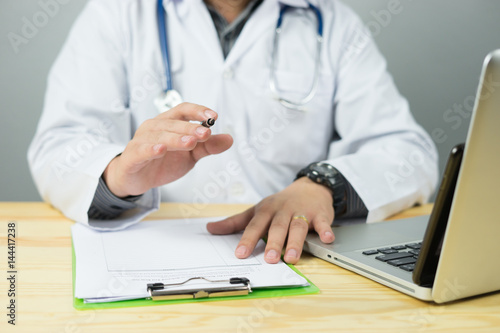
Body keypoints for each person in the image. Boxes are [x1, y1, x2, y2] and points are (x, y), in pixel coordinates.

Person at [28, 0, 438, 265]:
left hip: (292, 258)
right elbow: (58, 145)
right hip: (156, 258)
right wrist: (118, 175)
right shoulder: (116, 13)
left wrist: (321, 186)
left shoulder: (331, 21)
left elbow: (409, 152)